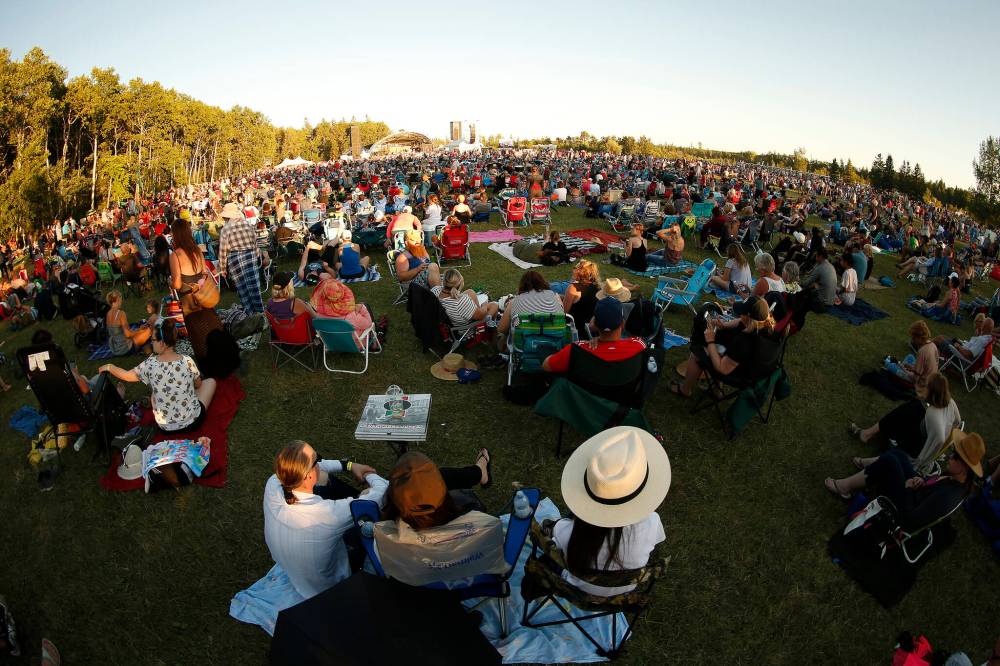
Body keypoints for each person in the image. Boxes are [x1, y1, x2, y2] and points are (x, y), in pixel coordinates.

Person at [552, 426, 670, 596]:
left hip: (579, 589)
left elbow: (555, 532)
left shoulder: (567, 532)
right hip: (625, 591)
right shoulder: (652, 522)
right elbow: (656, 541)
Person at [264, 440, 386, 599]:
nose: (320, 462)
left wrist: (350, 465)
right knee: (368, 508)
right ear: (308, 475)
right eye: (317, 458)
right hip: (331, 586)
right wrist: (368, 474)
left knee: (325, 478)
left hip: (297, 577)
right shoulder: (328, 515)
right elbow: (381, 493)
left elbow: (319, 466)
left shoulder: (273, 484)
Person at [823, 432, 984, 533]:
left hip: (902, 511)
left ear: (965, 467)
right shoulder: (956, 478)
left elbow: (912, 518)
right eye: (953, 452)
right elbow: (930, 487)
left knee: (890, 462)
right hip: (914, 493)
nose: (950, 456)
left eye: (955, 456)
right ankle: (868, 472)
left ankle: (845, 487)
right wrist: (921, 480)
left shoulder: (947, 496)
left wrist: (907, 488)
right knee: (899, 454)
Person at [99, 320, 216, 434]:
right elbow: (198, 384)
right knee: (210, 382)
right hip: (192, 423)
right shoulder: (187, 360)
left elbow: (127, 376)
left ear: (162, 343)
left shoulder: (150, 364)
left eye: (153, 340)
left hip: (165, 427)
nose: (151, 342)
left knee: (156, 394)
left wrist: (110, 367)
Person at [849, 373, 961, 474]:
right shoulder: (951, 402)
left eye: (926, 386)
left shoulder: (933, 414)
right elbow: (958, 421)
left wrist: (922, 460)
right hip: (925, 436)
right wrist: (948, 436)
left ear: (932, 392)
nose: (924, 387)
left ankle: (871, 454)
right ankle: (868, 434)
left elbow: (940, 438)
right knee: (914, 406)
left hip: (919, 449)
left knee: (907, 415)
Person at [670, 296, 781, 398]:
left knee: (697, 352)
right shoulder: (767, 326)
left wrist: (710, 341)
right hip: (759, 372)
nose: (740, 315)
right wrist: (724, 325)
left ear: (748, 316)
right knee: (723, 342)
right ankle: (716, 390)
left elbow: (722, 368)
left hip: (742, 377)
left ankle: (685, 390)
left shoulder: (744, 341)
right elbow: (740, 321)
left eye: (742, 312)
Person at [381, 449, 493, 529]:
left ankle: (479, 471)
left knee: (432, 478)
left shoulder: (386, 537)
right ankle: (480, 470)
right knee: (441, 476)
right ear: (446, 502)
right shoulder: (469, 517)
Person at [543, 296, 646, 373]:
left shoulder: (575, 350)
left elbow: (546, 366)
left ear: (594, 324)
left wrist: (589, 342)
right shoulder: (639, 346)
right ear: (623, 323)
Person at [169, 217, 225, 359]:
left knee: (199, 335)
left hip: (189, 302)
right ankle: (221, 354)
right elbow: (205, 273)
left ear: (176, 235)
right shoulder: (197, 250)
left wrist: (170, 282)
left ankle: (208, 360)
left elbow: (177, 284)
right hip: (204, 296)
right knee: (211, 326)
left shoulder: (175, 255)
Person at [218, 202, 265, 314]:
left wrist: (223, 268)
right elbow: (255, 241)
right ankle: (260, 312)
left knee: (242, 288)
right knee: (254, 287)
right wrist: (257, 255)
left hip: (235, 259)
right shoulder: (247, 224)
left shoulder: (226, 229)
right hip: (250, 255)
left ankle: (249, 313)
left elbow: (223, 250)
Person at [496, 270, 564, 341]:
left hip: (524, 344)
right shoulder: (555, 297)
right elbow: (562, 314)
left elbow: (501, 329)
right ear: (542, 282)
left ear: (522, 285)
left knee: (503, 335)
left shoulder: (514, 301)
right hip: (556, 341)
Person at [310, 278, 374, 350]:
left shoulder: (319, 316)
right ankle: (374, 342)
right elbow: (368, 324)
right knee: (364, 306)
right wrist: (362, 308)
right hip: (353, 345)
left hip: (332, 344)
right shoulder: (350, 316)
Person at [432, 268, 499, 325]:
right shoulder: (461, 302)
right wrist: (485, 305)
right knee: (494, 305)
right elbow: (481, 316)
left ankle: (477, 309)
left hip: (447, 324)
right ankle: (492, 328)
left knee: (470, 292)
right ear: (460, 284)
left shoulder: (435, 291)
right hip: (465, 330)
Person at [562, 260, 602, 339]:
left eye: (574, 268)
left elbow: (563, 313)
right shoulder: (598, 287)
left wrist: (557, 299)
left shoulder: (573, 288)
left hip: (577, 330)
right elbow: (582, 299)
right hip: (592, 328)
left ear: (579, 272)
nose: (573, 270)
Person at [104, 290, 152, 355]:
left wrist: (138, 329)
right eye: (121, 299)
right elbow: (128, 335)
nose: (121, 301)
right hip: (126, 348)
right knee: (149, 330)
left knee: (141, 331)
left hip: (115, 348)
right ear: (118, 299)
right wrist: (140, 331)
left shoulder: (108, 314)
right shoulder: (121, 313)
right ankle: (147, 348)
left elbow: (119, 333)